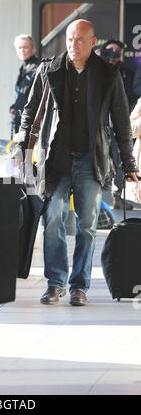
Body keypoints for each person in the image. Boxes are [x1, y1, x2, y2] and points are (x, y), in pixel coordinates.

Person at [13, 19, 138, 307]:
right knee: (53, 217)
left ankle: (79, 287)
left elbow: (121, 122)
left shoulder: (109, 75)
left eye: (80, 40)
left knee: (86, 225)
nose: (73, 45)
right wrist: (22, 149)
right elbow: (29, 112)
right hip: (55, 160)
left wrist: (129, 163)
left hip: (91, 161)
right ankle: (56, 283)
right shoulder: (49, 70)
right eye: (70, 39)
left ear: (93, 42)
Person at [100, 39, 137, 209]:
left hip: (117, 123)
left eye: (117, 51)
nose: (114, 54)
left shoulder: (126, 72)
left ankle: (117, 194)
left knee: (118, 159)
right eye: (110, 51)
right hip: (98, 125)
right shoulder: (96, 69)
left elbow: (131, 94)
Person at [10, 35, 40, 136]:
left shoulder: (38, 67)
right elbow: (22, 94)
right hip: (20, 118)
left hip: (31, 121)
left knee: (28, 151)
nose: (22, 50)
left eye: (25, 47)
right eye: (19, 47)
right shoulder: (23, 67)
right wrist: (15, 106)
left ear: (33, 48)